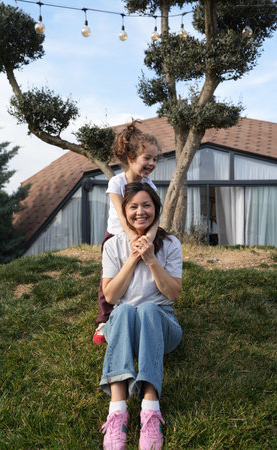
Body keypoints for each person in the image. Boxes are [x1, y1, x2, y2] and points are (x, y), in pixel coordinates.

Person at [99, 182, 182, 450]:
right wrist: (133, 258)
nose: (140, 212)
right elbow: (111, 297)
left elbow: (173, 294)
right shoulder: (113, 246)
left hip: (162, 323)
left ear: (156, 209)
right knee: (123, 309)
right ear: (124, 211)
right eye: (133, 206)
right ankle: (117, 411)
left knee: (148, 308)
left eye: (146, 205)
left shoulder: (169, 243)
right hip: (123, 324)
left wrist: (151, 259)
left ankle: (150, 409)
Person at [93, 120, 161, 345]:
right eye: (147, 158)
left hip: (143, 235)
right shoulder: (116, 182)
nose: (152, 163)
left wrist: (149, 237)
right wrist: (133, 237)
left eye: (155, 158)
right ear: (131, 157)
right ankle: (104, 319)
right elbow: (122, 216)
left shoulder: (151, 186)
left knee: (139, 273)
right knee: (110, 277)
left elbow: (157, 215)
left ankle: (138, 308)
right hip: (117, 235)